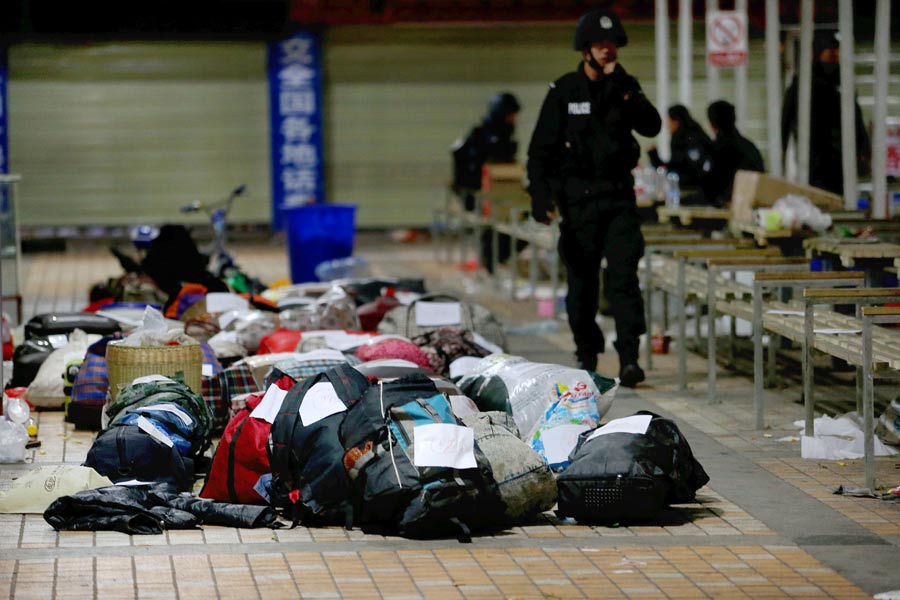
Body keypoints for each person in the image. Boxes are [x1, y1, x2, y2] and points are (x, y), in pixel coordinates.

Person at [527, 8, 661, 387]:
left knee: (623, 280)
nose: (608, 50)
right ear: (585, 48)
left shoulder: (624, 85)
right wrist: (540, 197)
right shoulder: (564, 91)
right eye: (601, 44)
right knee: (583, 284)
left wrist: (626, 90)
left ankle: (630, 357)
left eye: (613, 44)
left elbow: (651, 125)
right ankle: (586, 354)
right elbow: (541, 150)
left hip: (619, 201)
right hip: (579, 204)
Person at [781, 29, 870, 195]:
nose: (835, 55)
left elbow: (855, 115)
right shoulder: (803, 84)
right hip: (814, 155)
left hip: (841, 155)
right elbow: (786, 119)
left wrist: (863, 147)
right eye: (830, 51)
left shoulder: (843, 82)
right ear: (818, 52)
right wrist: (783, 149)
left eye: (837, 50)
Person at [451, 92, 526, 272]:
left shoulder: (488, 133)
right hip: (480, 195)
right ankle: (491, 260)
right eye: (510, 115)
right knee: (506, 223)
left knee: (513, 222)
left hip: (490, 194)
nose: (513, 120)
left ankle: (492, 260)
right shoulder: (485, 136)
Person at [701, 100, 764, 207]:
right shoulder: (749, 146)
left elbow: (712, 188)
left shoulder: (718, 148)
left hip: (730, 205)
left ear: (712, 124)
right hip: (756, 203)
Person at [648, 105, 713, 192]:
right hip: (704, 187)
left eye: (668, 121)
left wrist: (654, 156)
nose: (667, 125)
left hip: (692, 189)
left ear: (676, 121)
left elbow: (676, 168)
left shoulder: (682, 139)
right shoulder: (697, 133)